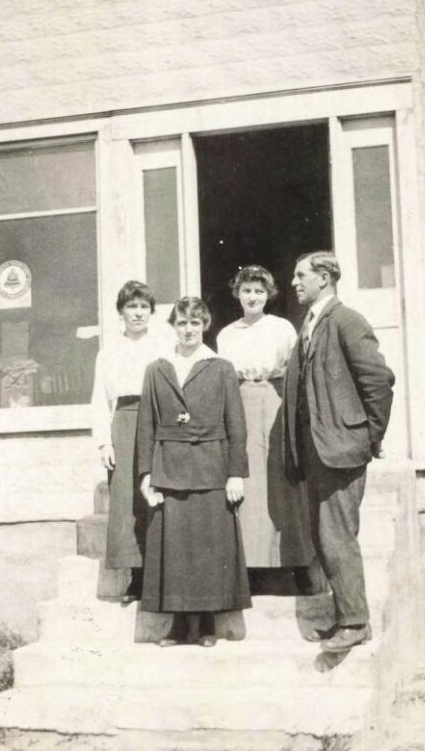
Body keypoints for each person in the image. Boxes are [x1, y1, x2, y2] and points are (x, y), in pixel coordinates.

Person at [282, 251, 395, 652]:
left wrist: (369, 437)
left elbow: (379, 382)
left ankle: (355, 621)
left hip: (341, 449)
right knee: (324, 534)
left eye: (301, 275)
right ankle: (344, 614)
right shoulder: (310, 324)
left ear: (325, 278)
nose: (294, 282)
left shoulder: (347, 320)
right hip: (317, 451)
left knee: (336, 536)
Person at [137, 296, 251, 647]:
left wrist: (235, 473)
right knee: (173, 548)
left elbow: (236, 424)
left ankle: (205, 626)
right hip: (169, 467)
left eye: (195, 324)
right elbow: (145, 425)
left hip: (210, 468)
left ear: (205, 326)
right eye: (182, 323)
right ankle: (176, 626)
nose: (189, 330)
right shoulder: (157, 368)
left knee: (206, 547)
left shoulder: (220, 367)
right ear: (173, 326)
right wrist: (145, 475)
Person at [216, 265, 312, 572]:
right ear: (238, 294)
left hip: (275, 399)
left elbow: (295, 369)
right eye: (246, 291)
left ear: (268, 294)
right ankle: (251, 565)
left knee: (279, 476)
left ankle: (288, 563)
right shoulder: (227, 334)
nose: (252, 296)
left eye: (259, 291)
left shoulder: (282, 328)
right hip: (241, 401)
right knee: (249, 478)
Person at [91, 280, 166, 602]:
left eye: (144, 307)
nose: (138, 313)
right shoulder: (109, 351)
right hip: (123, 420)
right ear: (121, 312)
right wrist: (104, 442)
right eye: (132, 307)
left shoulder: (163, 346)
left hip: (158, 420)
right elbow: (99, 400)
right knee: (127, 497)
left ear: (151, 312)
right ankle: (135, 577)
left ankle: (160, 573)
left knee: (157, 491)